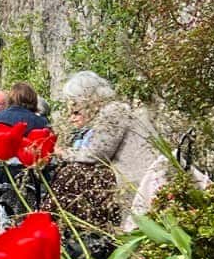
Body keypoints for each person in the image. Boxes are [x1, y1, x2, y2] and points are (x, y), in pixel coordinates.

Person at [56, 70, 169, 223]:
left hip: (140, 180)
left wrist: (63, 153)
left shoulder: (114, 111)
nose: (73, 108)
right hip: (141, 177)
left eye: (75, 104)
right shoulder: (114, 110)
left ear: (87, 99)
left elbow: (96, 153)